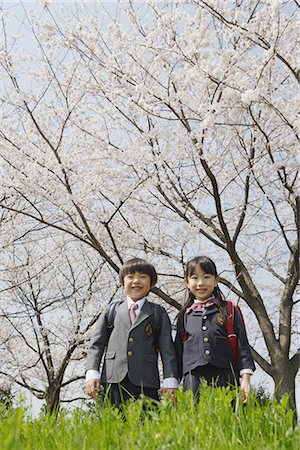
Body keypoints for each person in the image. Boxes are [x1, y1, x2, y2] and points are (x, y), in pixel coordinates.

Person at [86, 258, 178, 406]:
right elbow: (96, 345)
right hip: (112, 381)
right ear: (122, 283)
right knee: (113, 425)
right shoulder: (112, 310)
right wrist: (92, 374)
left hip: (146, 382)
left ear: (152, 283)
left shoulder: (157, 313)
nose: (136, 281)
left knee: (146, 426)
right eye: (130, 277)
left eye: (142, 277)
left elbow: (167, 350)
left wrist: (170, 380)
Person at [175, 256, 255, 403]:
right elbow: (178, 352)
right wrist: (172, 385)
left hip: (225, 376)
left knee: (226, 420)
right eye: (194, 278)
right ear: (187, 282)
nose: (201, 283)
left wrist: (246, 379)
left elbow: (242, 345)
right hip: (192, 380)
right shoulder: (184, 316)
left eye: (206, 277)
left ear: (216, 280)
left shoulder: (229, 310)